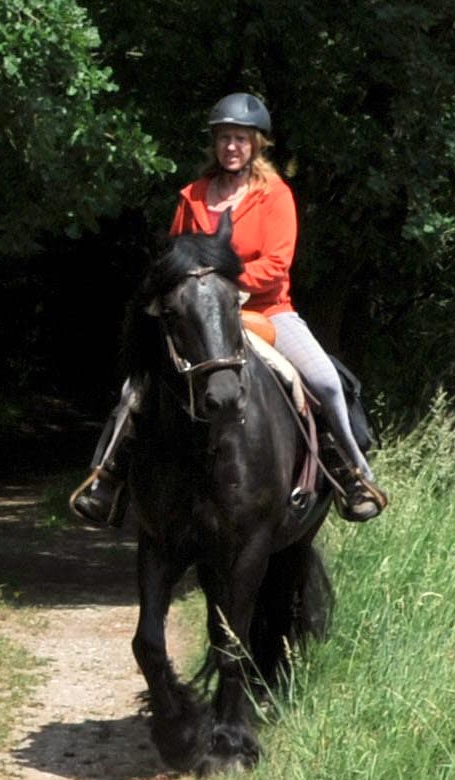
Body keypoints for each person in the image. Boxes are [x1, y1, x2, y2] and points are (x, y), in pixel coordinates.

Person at [68, 93, 383, 525]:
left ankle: (353, 477)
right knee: (135, 389)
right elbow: (175, 258)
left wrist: (218, 285)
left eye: (239, 138)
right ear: (214, 144)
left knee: (325, 381)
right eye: (223, 138)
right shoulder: (192, 196)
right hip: (197, 318)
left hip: (267, 313)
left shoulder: (274, 195)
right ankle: (106, 482)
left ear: (256, 144)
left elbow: (276, 265)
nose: (231, 146)